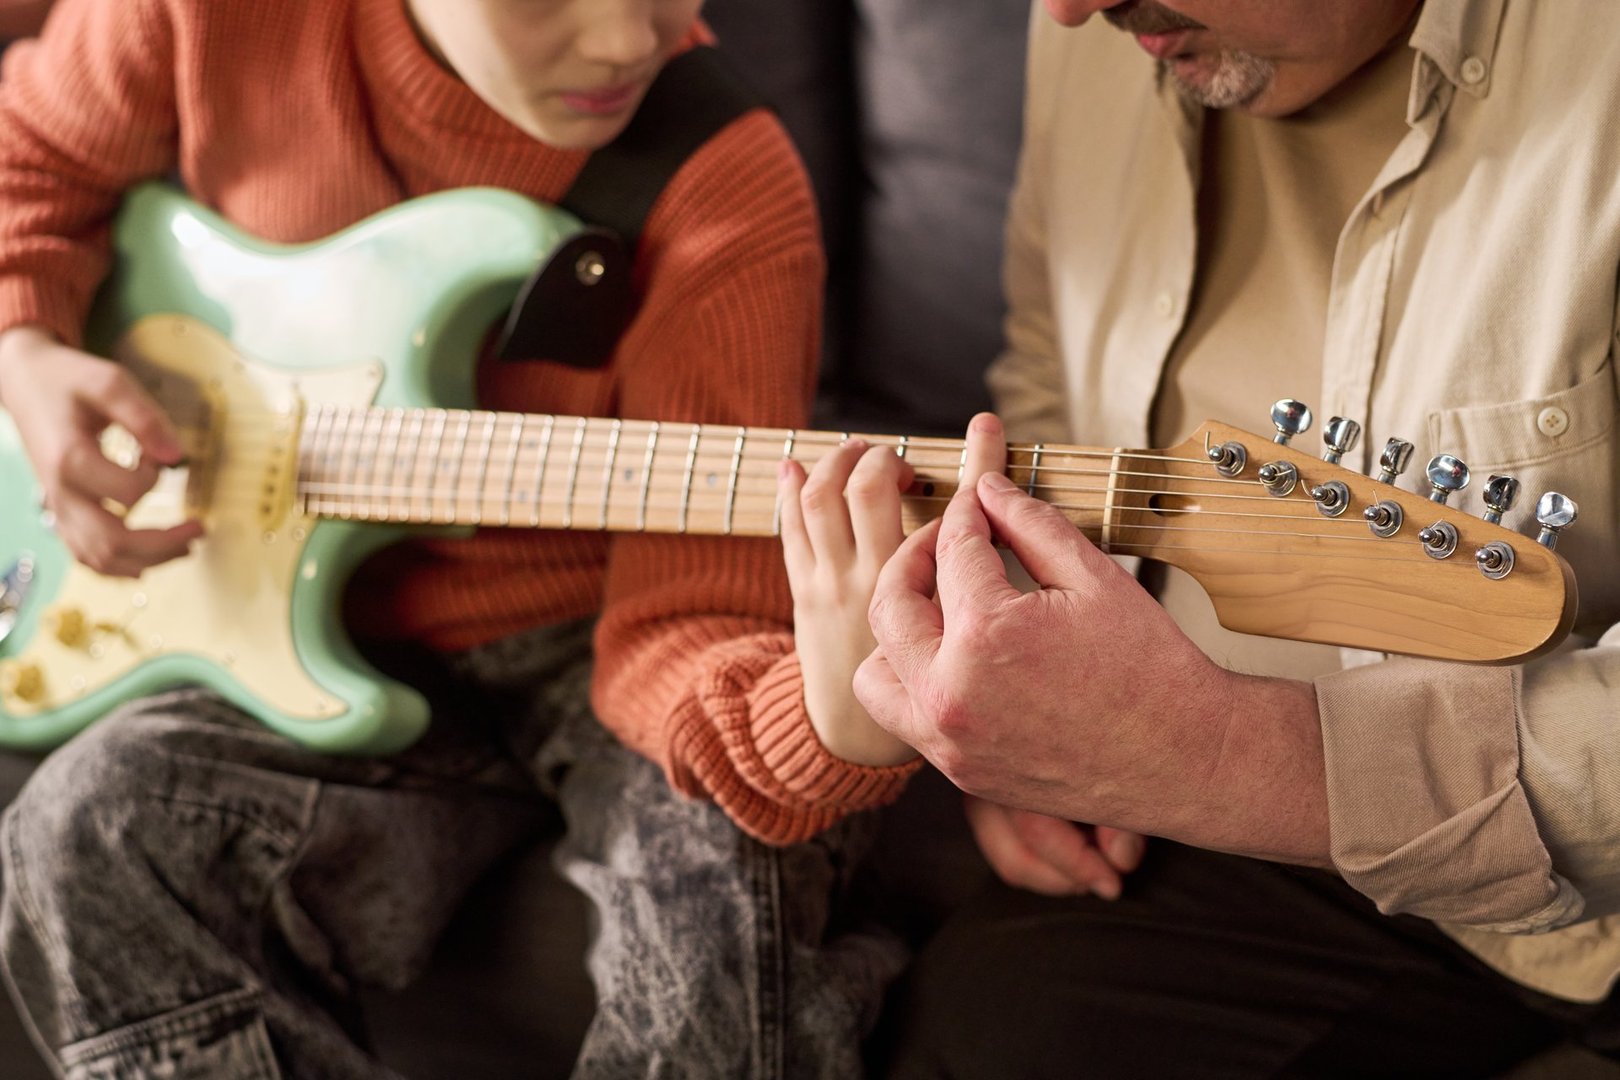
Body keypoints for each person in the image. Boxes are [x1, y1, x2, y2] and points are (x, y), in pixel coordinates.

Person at [0, 0, 926, 1076]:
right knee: (88, 829)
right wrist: (23, 345)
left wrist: (823, 722)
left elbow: (694, 614)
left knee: (728, 893)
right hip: (301, 619)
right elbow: (31, 157)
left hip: (606, 634)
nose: (630, 39)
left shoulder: (725, 186)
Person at [856, 0, 1620, 1074]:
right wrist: (1036, 718)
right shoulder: (1095, 31)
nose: (1070, 10)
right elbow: (1047, 375)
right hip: (1204, 819)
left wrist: (1217, 757)